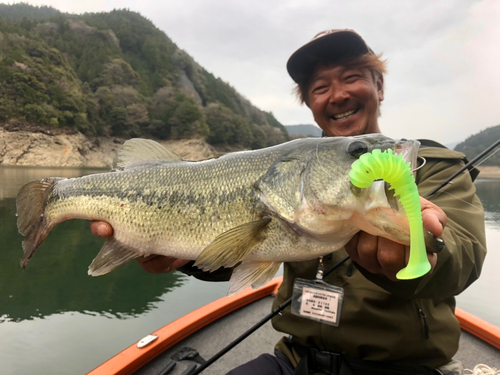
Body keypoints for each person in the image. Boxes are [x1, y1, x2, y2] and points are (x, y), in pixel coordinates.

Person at [90, 30, 487, 374]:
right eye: (320, 87)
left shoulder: (432, 165)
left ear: (379, 87)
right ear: (309, 103)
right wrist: (183, 256)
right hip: (296, 359)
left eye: (352, 77)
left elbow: (463, 258)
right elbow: (253, 247)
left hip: (403, 369)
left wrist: (425, 249)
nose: (339, 94)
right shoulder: (291, 169)